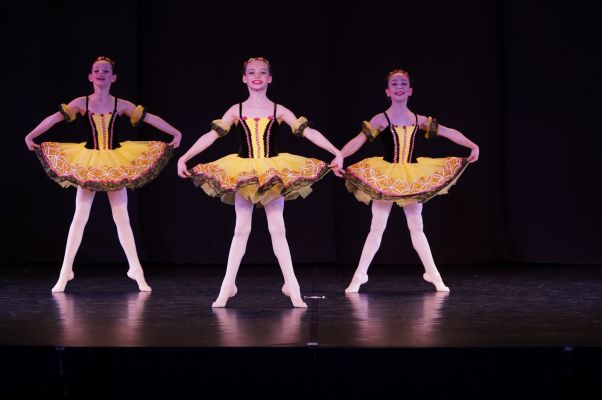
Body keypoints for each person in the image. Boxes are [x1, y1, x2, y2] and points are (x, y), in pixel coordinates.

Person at [177, 57, 343, 308]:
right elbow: (211, 136)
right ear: (244, 78)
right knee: (241, 229)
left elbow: (308, 132)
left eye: (263, 72)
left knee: (278, 228)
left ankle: (293, 287)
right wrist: (185, 157)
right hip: (243, 173)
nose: (257, 76)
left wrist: (335, 152)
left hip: (272, 173)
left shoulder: (278, 110)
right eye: (252, 72)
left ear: (270, 78)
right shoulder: (236, 110)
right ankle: (227, 287)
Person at [25, 56, 182, 293]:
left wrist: (175, 132)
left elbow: (150, 118)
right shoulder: (81, 102)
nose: (101, 73)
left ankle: (136, 271)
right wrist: (31, 135)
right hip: (89, 162)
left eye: (106, 71)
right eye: (97, 70)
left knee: (122, 218)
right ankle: (65, 272)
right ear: (90, 76)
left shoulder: (121, 104)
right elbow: (53, 118)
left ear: (113, 77)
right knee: (80, 216)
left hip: (114, 161)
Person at [337, 69, 479, 293]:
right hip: (386, 177)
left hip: (412, 177)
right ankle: (359, 276)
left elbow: (447, 131)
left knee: (417, 226)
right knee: (377, 227)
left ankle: (433, 275)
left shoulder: (418, 120)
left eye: (403, 83)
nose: (399, 87)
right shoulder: (380, 119)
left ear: (410, 90)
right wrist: (340, 156)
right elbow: (358, 140)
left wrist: (472, 145)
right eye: (394, 84)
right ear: (387, 91)